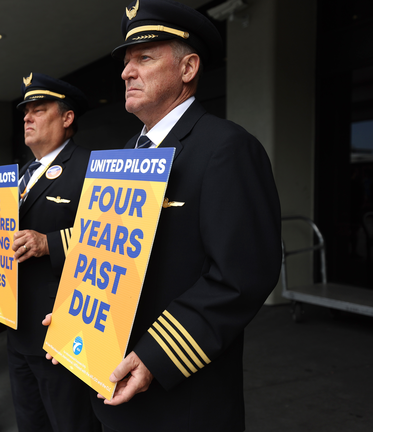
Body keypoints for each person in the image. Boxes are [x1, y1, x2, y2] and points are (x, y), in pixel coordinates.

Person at [44, 1, 282, 430]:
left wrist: (156, 355)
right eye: (126, 62)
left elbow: (242, 276)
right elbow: (104, 251)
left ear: (188, 68)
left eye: (144, 58)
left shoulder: (225, 148)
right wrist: (72, 314)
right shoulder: (125, 154)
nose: (126, 72)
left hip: (180, 398)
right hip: (108, 379)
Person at [0, 73, 100, 432]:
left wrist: (49, 243)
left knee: (71, 423)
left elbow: (111, 241)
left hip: (63, 327)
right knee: (30, 421)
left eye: (38, 110)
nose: (26, 118)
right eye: (25, 112)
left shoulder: (91, 167)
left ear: (67, 117)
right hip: (18, 325)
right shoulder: (20, 174)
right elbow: (0, 237)